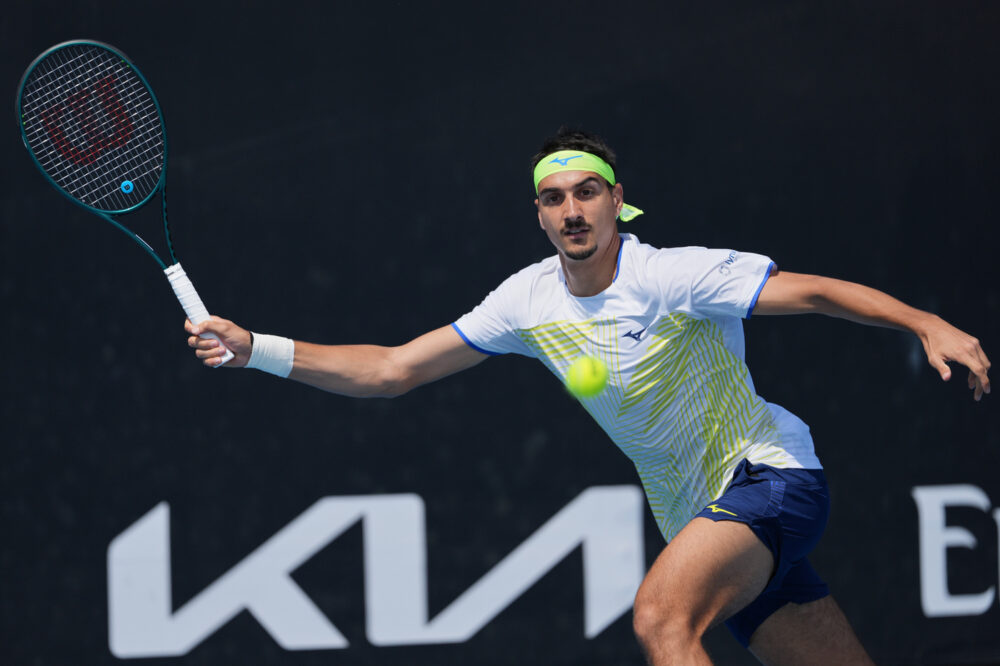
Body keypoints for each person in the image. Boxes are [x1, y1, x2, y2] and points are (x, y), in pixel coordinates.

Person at [186, 128, 990, 665]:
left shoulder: (670, 276)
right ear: (539, 215)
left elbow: (811, 292)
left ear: (616, 200)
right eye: (555, 198)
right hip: (700, 517)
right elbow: (392, 370)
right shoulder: (525, 301)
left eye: (588, 192)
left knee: (661, 620)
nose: (572, 210)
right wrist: (258, 350)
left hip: (769, 478)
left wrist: (925, 323)